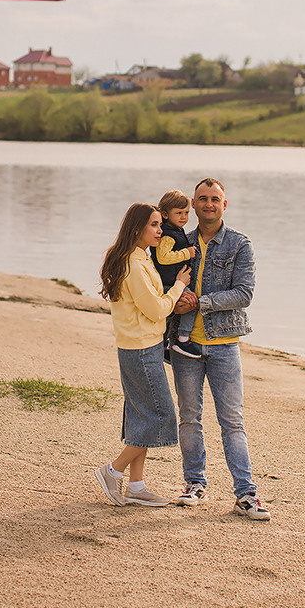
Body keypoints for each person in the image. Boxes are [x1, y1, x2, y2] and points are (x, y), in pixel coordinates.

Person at [171, 177, 271, 521]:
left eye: (215, 199)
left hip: (225, 345)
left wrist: (199, 302)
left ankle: (246, 494)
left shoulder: (240, 245)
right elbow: (162, 286)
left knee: (232, 421)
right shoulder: (177, 243)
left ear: (224, 205)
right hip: (185, 345)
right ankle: (194, 484)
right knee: (189, 417)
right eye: (203, 199)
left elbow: (244, 294)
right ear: (194, 205)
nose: (209, 204)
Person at [96, 203, 192, 508]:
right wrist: (178, 287)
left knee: (141, 418)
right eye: (153, 225)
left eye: (159, 224)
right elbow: (156, 310)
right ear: (137, 229)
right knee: (160, 417)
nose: (160, 230)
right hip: (140, 351)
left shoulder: (139, 258)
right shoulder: (135, 267)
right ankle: (113, 471)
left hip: (141, 347)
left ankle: (136, 486)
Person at [149, 189, 201, 361]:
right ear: (165, 214)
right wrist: (187, 253)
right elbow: (162, 258)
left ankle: (164, 345)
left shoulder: (175, 230)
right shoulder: (168, 234)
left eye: (186, 213)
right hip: (170, 280)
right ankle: (183, 339)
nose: (184, 217)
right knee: (190, 304)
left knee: (170, 314)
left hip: (173, 279)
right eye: (178, 213)